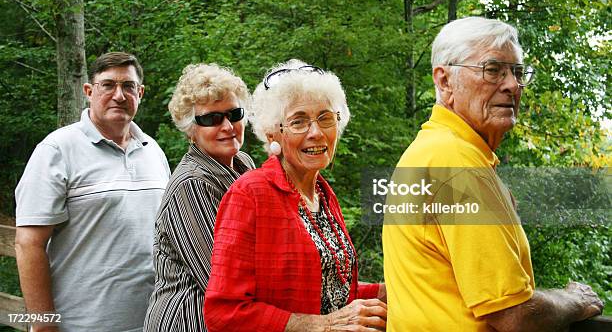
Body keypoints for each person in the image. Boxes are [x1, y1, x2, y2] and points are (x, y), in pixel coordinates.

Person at [382, 17, 604, 331]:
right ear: (445, 81)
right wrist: (573, 300)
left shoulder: (429, 151)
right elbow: (513, 314)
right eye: (492, 70)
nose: (512, 84)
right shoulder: (456, 163)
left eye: (517, 72)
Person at [204, 59, 387, 331]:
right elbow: (224, 312)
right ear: (272, 134)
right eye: (298, 121)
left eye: (325, 118)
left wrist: (388, 291)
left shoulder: (322, 194)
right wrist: (320, 326)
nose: (316, 133)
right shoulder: (249, 194)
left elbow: (328, 287)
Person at [14, 52, 170, 331]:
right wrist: (42, 324)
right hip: (81, 324)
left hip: (153, 321)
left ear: (141, 92)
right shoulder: (57, 150)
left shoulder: (153, 151)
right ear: (89, 91)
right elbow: (28, 244)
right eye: (108, 85)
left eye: (128, 86)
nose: (119, 95)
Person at [143, 63, 255, 331]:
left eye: (234, 114)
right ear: (191, 129)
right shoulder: (192, 185)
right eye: (211, 119)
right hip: (188, 320)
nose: (227, 126)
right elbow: (222, 280)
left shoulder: (243, 163)